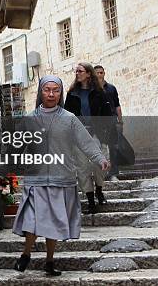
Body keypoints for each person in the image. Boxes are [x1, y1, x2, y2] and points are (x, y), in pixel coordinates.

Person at [13, 75, 110, 276]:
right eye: (47, 89)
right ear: (40, 92)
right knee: (31, 217)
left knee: (53, 222)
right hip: (36, 178)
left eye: (55, 90)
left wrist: (100, 158)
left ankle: (49, 261)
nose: (51, 94)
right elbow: (15, 146)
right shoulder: (29, 119)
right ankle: (26, 254)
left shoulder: (69, 119)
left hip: (61, 177)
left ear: (60, 92)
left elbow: (86, 142)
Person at [64, 62, 117, 214]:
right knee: (82, 168)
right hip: (78, 136)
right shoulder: (72, 93)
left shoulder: (99, 92)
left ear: (88, 74)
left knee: (101, 164)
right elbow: (67, 116)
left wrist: (107, 134)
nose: (77, 73)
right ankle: (90, 200)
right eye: (76, 71)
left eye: (80, 71)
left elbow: (108, 114)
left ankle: (99, 189)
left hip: (97, 134)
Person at [94, 65, 123, 182]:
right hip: (97, 124)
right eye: (97, 73)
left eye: (101, 72)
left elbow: (117, 106)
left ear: (104, 73)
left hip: (111, 122)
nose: (99, 75)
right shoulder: (91, 90)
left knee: (113, 148)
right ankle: (100, 174)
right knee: (98, 148)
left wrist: (120, 121)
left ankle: (113, 174)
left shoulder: (111, 88)